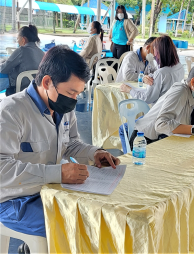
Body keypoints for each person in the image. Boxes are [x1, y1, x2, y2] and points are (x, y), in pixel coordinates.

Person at [0, 46, 120, 252]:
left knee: (96, 214)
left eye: (78, 94)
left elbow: (71, 143)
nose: (74, 100)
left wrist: (94, 153)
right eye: (71, 92)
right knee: (72, 225)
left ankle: (30, 249)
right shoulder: (11, 111)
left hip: (48, 190)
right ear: (47, 82)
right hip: (13, 199)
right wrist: (58, 173)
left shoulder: (62, 108)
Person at [121, 61, 194, 151]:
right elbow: (162, 124)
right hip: (144, 142)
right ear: (193, 82)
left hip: (168, 139)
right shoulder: (180, 91)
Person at [120, 35, 185, 105]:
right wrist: (143, 78)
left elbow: (155, 73)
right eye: (154, 51)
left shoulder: (155, 66)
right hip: (123, 89)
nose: (154, 55)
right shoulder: (131, 56)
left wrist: (152, 77)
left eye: (155, 51)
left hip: (147, 98)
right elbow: (127, 75)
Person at [0, 25, 44, 96]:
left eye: (18, 38)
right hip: (36, 91)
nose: (17, 41)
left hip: (19, 89)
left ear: (23, 39)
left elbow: (3, 69)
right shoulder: (42, 53)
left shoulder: (21, 50)